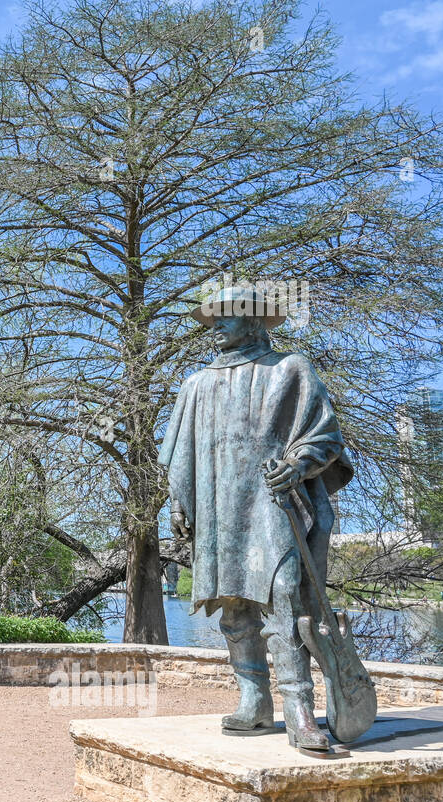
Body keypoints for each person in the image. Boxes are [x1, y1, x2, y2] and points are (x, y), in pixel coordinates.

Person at [160, 285, 373, 756]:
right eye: (211, 319)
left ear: (254, 320)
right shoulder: (196, 383)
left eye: (226, 317)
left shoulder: (290, 369)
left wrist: (297, 464)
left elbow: (325, 434)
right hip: (217, 508)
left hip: (272, 502)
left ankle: (299, 711)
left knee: (283, 596)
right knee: (232, 601)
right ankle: (253, 700)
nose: (214, 326)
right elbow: (180, 454)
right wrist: (179, 504)